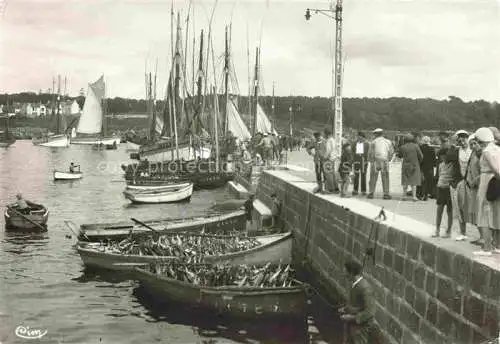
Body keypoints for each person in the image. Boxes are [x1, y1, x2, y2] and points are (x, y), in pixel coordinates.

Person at [473, 127, 500, 255]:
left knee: (484, 214)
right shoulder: (497, 149)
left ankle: (487, 247)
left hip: (487, 181)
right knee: (496, 212)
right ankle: (498, 246)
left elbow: (495, 168)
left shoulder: (487, 151)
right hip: (495, 182)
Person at [338, 260, 375, 344]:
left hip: (360, 329)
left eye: (346, 272)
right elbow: (358, 305)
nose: (345, 275)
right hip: (352, 326)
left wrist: (352, 318)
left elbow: (370, 311)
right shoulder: (355, 284)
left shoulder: (365, 288)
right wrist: (345, 309)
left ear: (351, 273)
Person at [448, 130, 472, 241]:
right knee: (460, 208)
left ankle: (483, 235)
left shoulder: (473, 151)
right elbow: (448, 158)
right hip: (458, 182)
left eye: (464, 140)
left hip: (471, 182)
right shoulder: (456, 151)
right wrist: (453, 144)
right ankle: (463, 232)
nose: (462, 142)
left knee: (473, 208)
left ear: (468, 139)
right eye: (460, 140)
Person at [367, 128, 393, 200]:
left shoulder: (373, 142)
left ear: (376, 134)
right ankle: (386, 194)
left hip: (376, 160)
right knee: (385, 178)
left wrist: (371, 161)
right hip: (385, 160)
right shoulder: (388, 141)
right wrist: (389, 159)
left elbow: (370, 152)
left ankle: (371, 193)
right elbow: (391, 152)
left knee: (373, 178)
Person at [433, 149, 454, 238]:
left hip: (449, 189)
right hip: (440, 187)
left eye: (444, 156)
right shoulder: (440, 165)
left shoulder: (453, 165)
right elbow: (439, 176)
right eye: (441, 157)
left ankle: (449, 231)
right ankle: (437, 229)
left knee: (449, 211)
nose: (442, 158)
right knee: (439, 210)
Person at [398, 134, 423, 202]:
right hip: (415, 165)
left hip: (405, 165)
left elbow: (399, 155)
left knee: (405, 181)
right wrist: (418, 162)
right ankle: (414, 197)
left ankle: (404, 196)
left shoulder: (403, 147)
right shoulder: (416, 146)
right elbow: (421, 156)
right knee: (414, 182)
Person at [417, 136, 436, 201]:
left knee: (421, 181)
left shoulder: (420, 148)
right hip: (429, 167)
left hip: (421, 166)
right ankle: (426, 194)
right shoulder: (432, 149)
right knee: (428, 181)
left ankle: (420, 194)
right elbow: (434, 158)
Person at [352, 132, 369, 196]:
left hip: (364, 161)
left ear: (363, 137)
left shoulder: (367, 144)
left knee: (363, 176)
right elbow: (352, 151)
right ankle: (355, 190)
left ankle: (363, 191)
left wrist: (367, 160)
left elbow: (368, 152)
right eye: (358, 137)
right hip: (356, 160)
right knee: (356, 176)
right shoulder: (354, 143)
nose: (358, 138)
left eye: (360, 137)